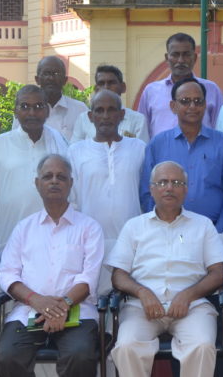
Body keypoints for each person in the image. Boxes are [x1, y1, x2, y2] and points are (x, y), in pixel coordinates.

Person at [108, 161, 223, 377]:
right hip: (142, 307)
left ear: (186, 189)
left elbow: (218, 273)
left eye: (177, 183)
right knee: (126, 347)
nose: (169, 188)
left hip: (192, 306)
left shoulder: (202, 225)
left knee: (202, 345)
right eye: (162, 182)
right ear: (151, 189)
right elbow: (118, 275)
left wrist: (188, 295)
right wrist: (142, 293)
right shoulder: (134, 226)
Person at [0, 155, 104, 377]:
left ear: (71, 183)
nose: (54, 181)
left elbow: (89, 278)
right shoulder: (23, 228)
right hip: (28, 309)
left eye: (61, 177)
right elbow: (7, 274)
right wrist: (37, 300)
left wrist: (62, 306)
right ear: (37, 183)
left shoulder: (89, 227)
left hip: (77, 310)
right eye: (48, 176)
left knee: (80, 355)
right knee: (7, 357)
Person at [140, 78, 223, 236]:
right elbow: (147, 193)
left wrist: (217, 233)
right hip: (166, 233)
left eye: (198, 101)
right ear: (173, 106)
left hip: (214, 232)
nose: (192, 106)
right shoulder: (157, 145)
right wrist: (161, 227)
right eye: (185, 101)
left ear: (205, 105)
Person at [68, 89, 146, 294]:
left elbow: (146, 194)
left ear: (122, 115)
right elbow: (72, 200)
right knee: (93, 299)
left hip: (133, 242)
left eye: (111, 110)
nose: (105, 116)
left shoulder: (139, 148)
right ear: (90, 116)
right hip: (90, 243)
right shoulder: (76, 151)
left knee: (130, 300)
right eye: (99, 110)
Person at [0, 85, 69, 249]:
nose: (32, 113)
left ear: (47, 111)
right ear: (15, 111)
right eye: (25, 106)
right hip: (8, 240)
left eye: (38, 106)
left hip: (53, 242)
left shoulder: (59, 144)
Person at [138, 33, 223, 137]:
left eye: (186, 55)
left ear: (194, 57)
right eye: (175, 55)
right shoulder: (151, 91)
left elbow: (220, 130)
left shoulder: (212, 89)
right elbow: (142, 132)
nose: (180, 60)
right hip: (161, 148)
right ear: (167, 58)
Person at [70, 65, 149, 143]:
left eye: (111, 83)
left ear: (123, 87)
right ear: (96, 89)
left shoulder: (137, 120)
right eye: (101, 83)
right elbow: (75, 149)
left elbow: (142, 149)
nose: (106, 87)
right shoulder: (84, 119)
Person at [33, 55, 88, 141]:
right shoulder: (27, 112)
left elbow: (91, 142)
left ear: (65, 80)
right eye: (46, 73)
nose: (51, 78)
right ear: (37, 79)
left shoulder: (80, 110)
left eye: (56, 74)